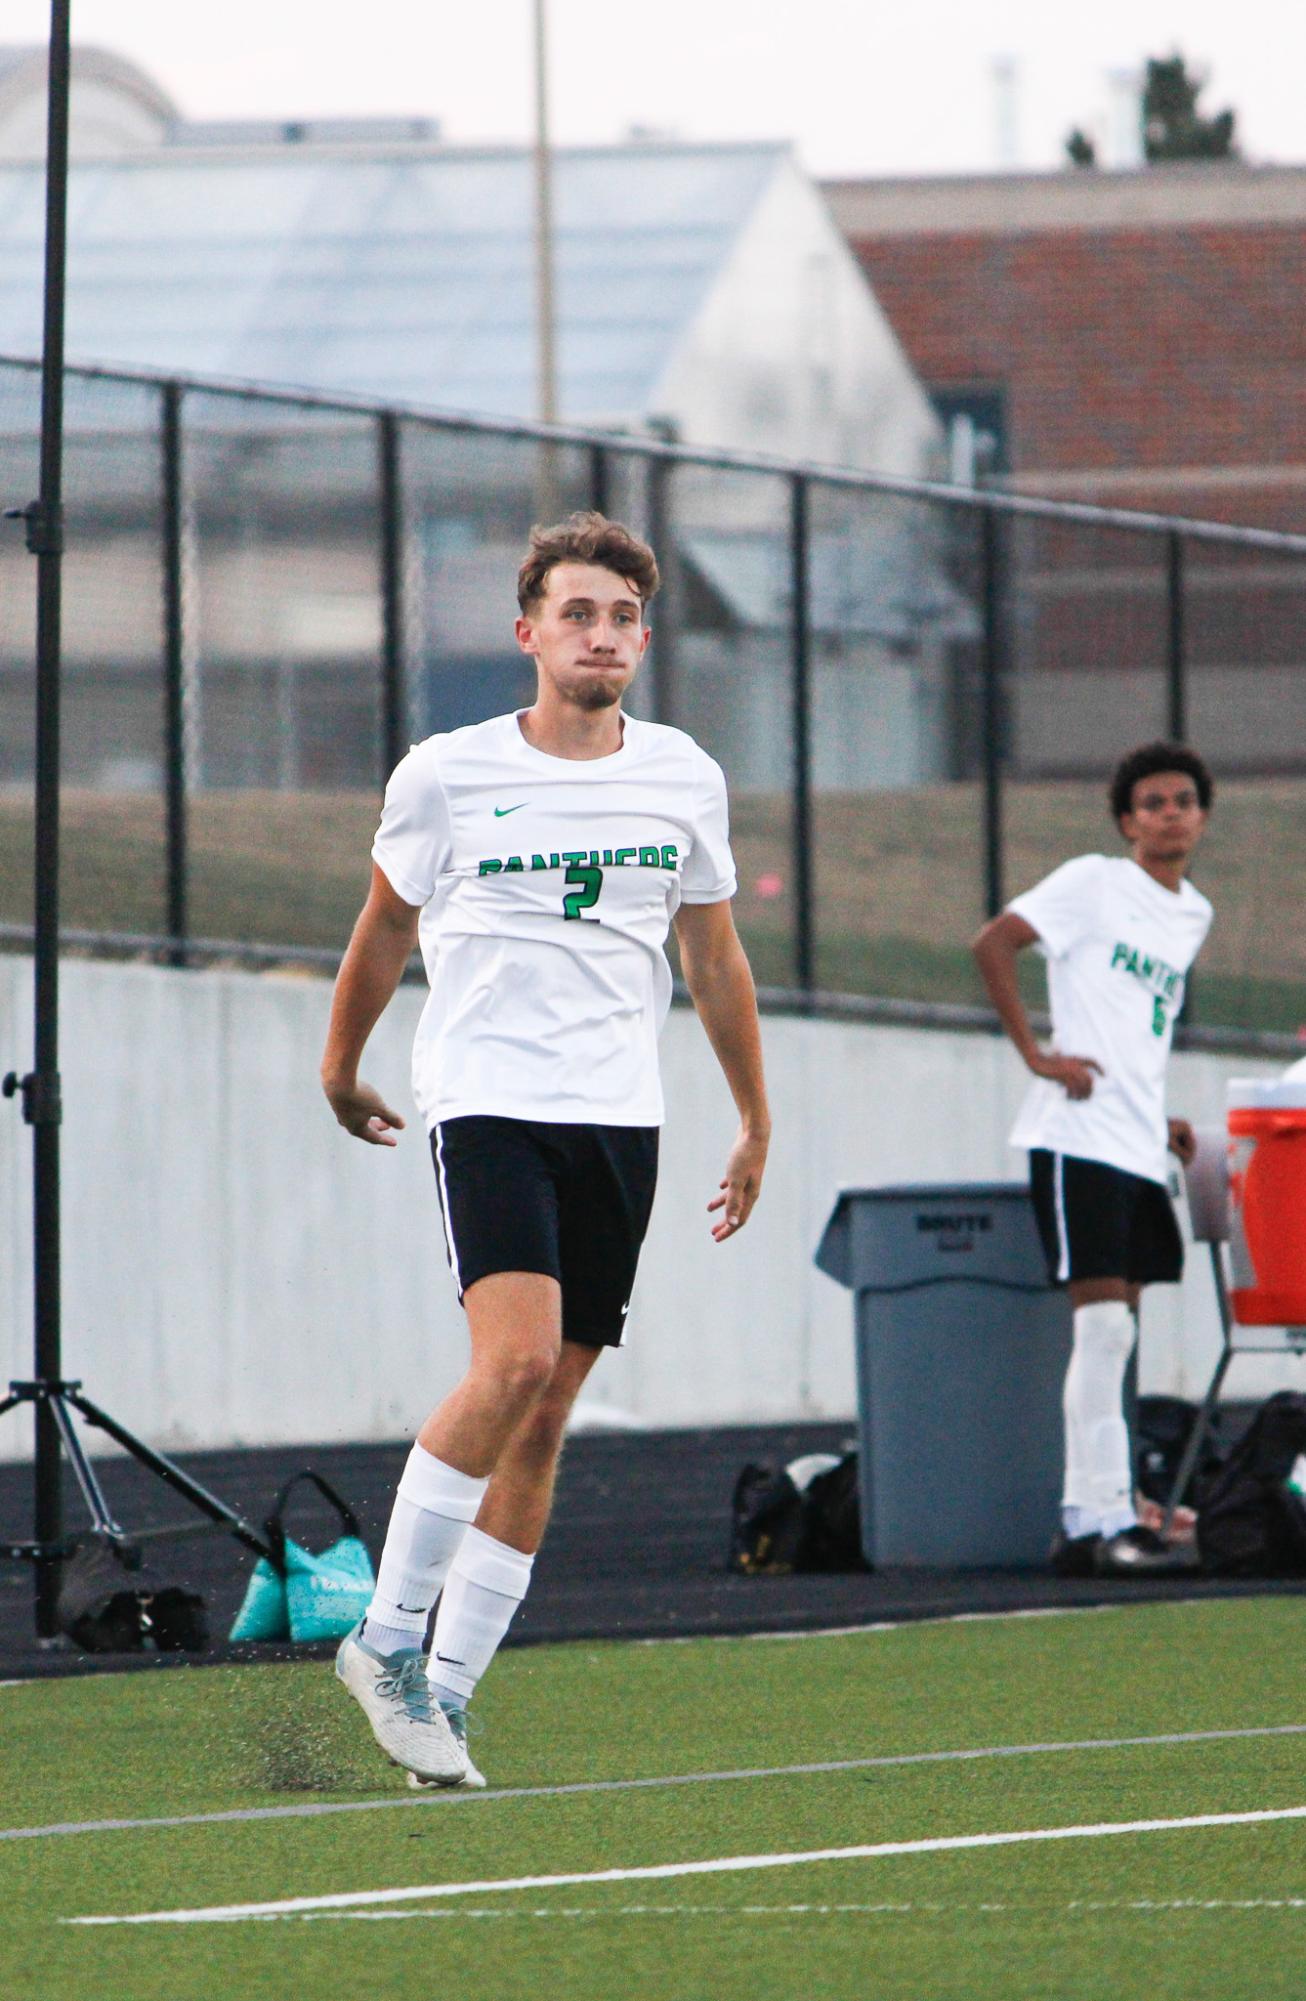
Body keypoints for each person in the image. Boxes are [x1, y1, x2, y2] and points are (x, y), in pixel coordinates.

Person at [320, 511, 770, 1786]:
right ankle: (387, 1642)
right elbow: (384, 930)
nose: (603, 634)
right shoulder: (447, 773)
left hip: (621, 1116)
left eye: (624, 615)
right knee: (510, 1360)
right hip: (490, 1102)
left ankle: (447, 1696)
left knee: (552, 1407)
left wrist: (754, 1116)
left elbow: (714, 957)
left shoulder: (682, 773)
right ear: (528, 634)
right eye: (578, 613)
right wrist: (337, 1065)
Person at [972, 741, 1214, 1578]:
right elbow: (993, 944)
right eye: (1151, 802)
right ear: (1126, 820)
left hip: (1139, 1140)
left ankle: (1095, 1517)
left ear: (1202, 816)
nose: (1169, 812)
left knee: (1121, 1331)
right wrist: (1038, 1055)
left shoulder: (1194, 915)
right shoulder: (1092, 882)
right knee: (1103, 1327)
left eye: (1183, 799)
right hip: (1077, 1136)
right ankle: (1100, 1515)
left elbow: (1136, 1028)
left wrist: (1161, 1114)